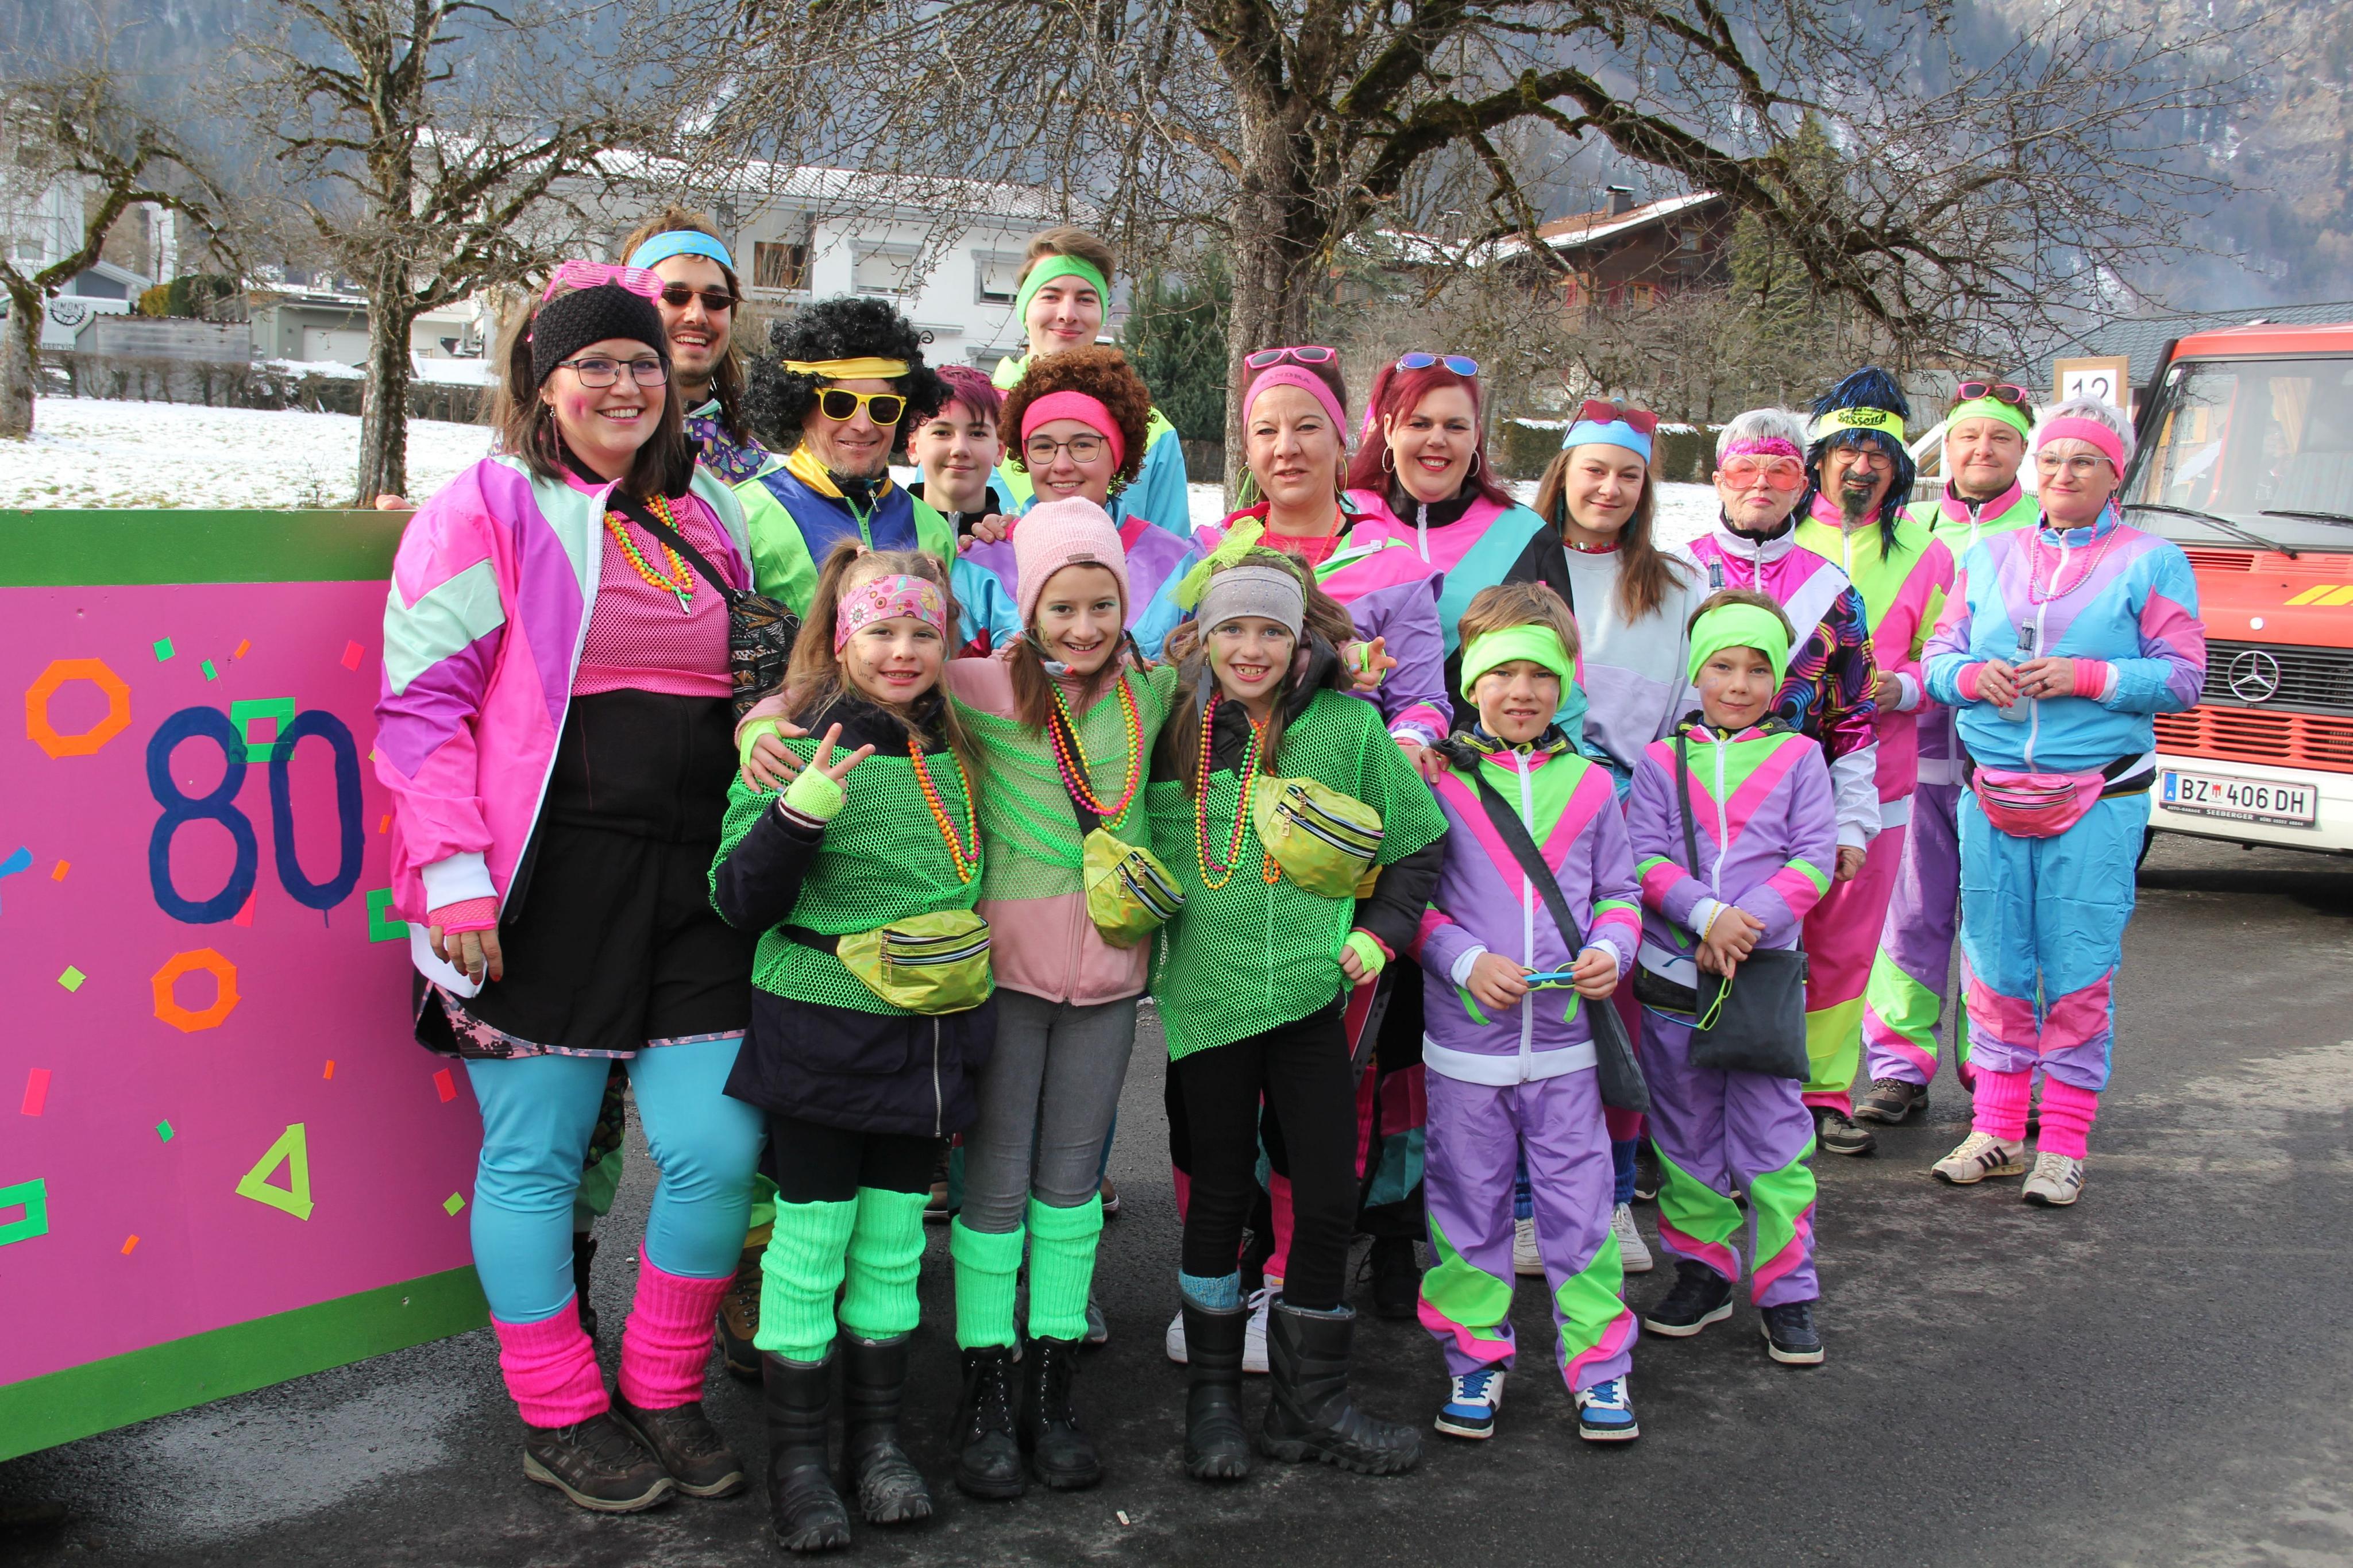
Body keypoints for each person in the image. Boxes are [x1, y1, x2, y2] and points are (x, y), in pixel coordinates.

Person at [376, 260, 766, 1513]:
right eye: (594, 364)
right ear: (543, 383)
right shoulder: (483, 507)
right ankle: (558, 1410)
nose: (624, 385)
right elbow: (422, 709)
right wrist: (453, 879)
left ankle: (662, 1384)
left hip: (698, 882)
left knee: (718, 1146)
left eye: (643, 364)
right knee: (536, 1158)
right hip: (542, 880)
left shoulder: (709, 512)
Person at [711, 546, 993, 1551]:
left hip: (928, 1034)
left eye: (923, 631)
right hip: (821, 1026)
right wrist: (797, 813)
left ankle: (876, 1445)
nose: (902, 651)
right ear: (842, 639)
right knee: (811, 1243)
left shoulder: (959, 744)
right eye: (880, 631)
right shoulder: (796, 741)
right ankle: (797, 1463)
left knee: (893, 1243)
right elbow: (737, 897)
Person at [1148, 550, 1446, 1481]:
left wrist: (1382, 933)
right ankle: (1211, 1408)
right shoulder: (1172, 720)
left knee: (1324, 1195)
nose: (1251, 648)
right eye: (1232, 628)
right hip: (1208, 1003)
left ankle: (1308, 1407)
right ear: (1203, 636)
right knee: (1219, 1198)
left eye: (1271, 631)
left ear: (1301, 638)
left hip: (1313, 998)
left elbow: (1419, 841)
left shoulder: (1349, 727)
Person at [1176, 343, 1449, 1335]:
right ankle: (1223, 1276)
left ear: (1345, 441)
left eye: (1306, 428)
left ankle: (1299, 1279)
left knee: (1326, 1093)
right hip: (1224, 874)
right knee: (1211, 1100)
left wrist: (1396, 746)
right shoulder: (1213, 552)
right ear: (1245, 447)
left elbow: (1427, 700)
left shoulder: (1393, 561)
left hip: (1337, 866)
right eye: (1266, 431)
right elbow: (1164, 676)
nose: (1286, 447)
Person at [1923, 397, 2204, 1206]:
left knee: (2078, 970)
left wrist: (2091, 677)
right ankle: (1996, 1132)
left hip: (2098, 794)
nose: (2062, 473)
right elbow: (1938, 657)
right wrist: (1970, 676)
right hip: (1993, 791)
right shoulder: (1991, 555)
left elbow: (2183, 677)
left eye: (2083, 460)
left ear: (2116, 473)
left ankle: (2064, 1145)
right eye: (2051, 459)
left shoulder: (2152, 560)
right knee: (1994, 965)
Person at [1413, 584, 1644, 1445]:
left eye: (1542, 674)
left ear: (1565, 685)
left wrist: (1612, 950)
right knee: (1467, 1208)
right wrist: (1464, 961)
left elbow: (1620, 893)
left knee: (1582, 1214)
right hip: (1464, 1050)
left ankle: (1602, 1369)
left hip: (1568, 1051)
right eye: (1503, 672)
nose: (1522, 691)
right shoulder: (1437, 784)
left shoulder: (1591, 785)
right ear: (1470, 680)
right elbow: (1409, 903)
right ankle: (1474, 1356)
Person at [1629, 590, 1839, 1366]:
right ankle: (1704, 1273)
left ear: (1778, 677)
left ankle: (1788, 1290)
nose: (1740, 684)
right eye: (1723, 666)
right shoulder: (1661, 762)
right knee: (1683, 1135)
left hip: (1757, 981)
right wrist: (1706, 914)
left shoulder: (1801, 758)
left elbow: (1814, 858)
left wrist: (1742, 924)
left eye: (1757, 668)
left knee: (1773, 1137)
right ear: (1697, 671)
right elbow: (1643, 856)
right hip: (1674, 983)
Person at [1530, 397, 1709, 1277]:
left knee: (1620, 1013)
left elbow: (1688, 718)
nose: (1608, 488)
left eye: (1628, 475)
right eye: (1593, 469)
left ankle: (1613, 1194)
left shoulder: (1675, 586)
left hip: (1629, 819)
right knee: (1539, 1005)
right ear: (1563, 473)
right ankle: (1529, 1199)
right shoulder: (1524, 565)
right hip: (1531, 813)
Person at [1680, 408, 1883, 1158]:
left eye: (1781, 470)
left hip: (1791, 815)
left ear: (1805, 485)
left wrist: (1852, 823)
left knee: (1788, 956)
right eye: (1745, 469)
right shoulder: (1677, 571)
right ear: (1718, 480)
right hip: (1692, 806)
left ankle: (1797, 1103)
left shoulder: (1832, 588)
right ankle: (1681, 1128)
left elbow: (1853, 715)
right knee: (1685, 951)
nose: (1761, 485)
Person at [1856, 380, 2042, 1124]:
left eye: (1999, 437)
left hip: (2014, 760)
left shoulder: (2047, 528)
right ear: (1946, 448)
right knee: (1910, 915)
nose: (1981, 449)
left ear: (2022, 450)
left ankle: (1998, 1066)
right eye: (1968, 435)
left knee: (2001, 919)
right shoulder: (1910, 529)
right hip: (1921, 755)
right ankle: (1899, 1067)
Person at [1787, 369, 1954, 1150]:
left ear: (1899, 467)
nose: (1861, 467)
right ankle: (1746, 1093)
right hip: (1769, 777)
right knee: (1759, 933)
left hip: (1877, 780)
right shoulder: (1782, 539)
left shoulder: (1929, 553)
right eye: (1847, 451)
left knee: (1846, 944)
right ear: (1819, 459)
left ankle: (1822, 1094)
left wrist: (1904, 686)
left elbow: (1945, 656)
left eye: (1878, 454)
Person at [1341, 352, 1575, 697]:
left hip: (1485, 734)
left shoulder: (1526, 536)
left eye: (1455, 426)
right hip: (1348, 730)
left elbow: (1566, 672)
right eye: (1419, 424)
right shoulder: (1343, 518)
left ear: (1476, 434)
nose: (1438, 439)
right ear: (1389, 429)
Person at [954, 347, 1193, 659]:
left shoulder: (1175, 564)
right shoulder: (983, 563)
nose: (1062, 465)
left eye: (1083, 445)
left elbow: (1194, 680)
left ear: (1117, 456)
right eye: (1043, 447)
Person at [736, 298, 954, 616]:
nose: (863, 425)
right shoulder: (744, 514)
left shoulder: (933, 527)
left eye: (883, 408)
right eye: (840, 404)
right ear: (801, 408)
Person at [988, 226, 1190, 537]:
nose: (1068, 314)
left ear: (1102, 313)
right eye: (1051, 296)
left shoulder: (1152, 429)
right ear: (1025, 308)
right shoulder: (974, 415)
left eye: (1085, 299)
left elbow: (1171, 550)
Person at [619, 210, 765, 482]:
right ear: (633, 307)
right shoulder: (593, 451)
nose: (697, 315)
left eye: (715, 300)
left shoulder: (762, 472)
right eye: (675, 296)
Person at [909, 364, 1016, 537]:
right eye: (942, 433)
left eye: (977, 434)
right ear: (913, 448)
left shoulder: (1017, 544)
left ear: (1000, 450)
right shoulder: (881, 538)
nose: (960, 448)